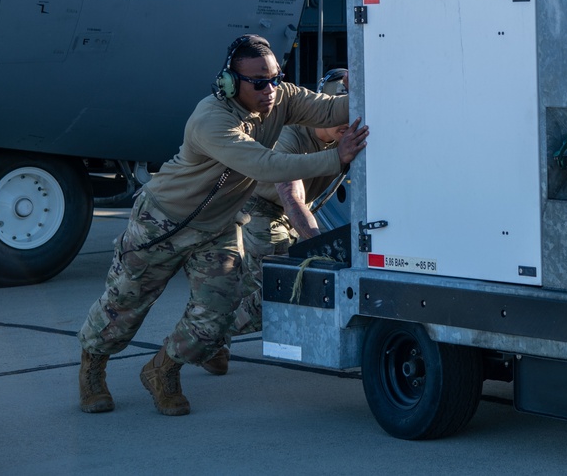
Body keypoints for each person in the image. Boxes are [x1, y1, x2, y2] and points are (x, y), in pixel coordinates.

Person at [76, 35, 368, 416]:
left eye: (276, 79)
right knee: (125, 304)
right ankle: (93, 368)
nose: (270, 90)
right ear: (230, 82)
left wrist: (382, 89)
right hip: (162, 221)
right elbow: (266, 165)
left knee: (218, 314)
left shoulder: (280, 99)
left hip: (218, 225)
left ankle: (163, 370)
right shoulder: (210, 119)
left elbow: (332, 110)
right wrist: (336, 157)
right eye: (259, 82)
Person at [201, 68, 350, 376]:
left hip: (289, 213)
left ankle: (211, 333)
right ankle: (206, 334)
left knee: (268, 287)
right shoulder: (291, 135)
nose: (349, 124)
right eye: (340, 114)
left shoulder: (346, 138)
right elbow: (292, 199)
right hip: (259, 207)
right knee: (280, 287)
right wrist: (319, 249)